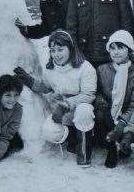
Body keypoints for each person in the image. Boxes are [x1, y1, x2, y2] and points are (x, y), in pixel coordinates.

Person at [14, 30, 97, 166]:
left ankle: (84, 152)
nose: (56, 54)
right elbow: (47, 87)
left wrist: (67, 104)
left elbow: (88, 95)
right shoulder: (50, 68)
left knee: (84, 111)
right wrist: (28, 80)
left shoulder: (85, 68)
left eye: (60, 49)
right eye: (53, 50)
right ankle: (74, 137)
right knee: (49, 132)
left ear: (70, 48)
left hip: (79, 107)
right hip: (61, 111)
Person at [94, 30, 134, 168]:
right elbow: (97, 92)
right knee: (100, 113)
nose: (116, 52)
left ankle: (123, 141)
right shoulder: (102, 70)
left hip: (126, 115)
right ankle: (111, 146)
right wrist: (102, 103)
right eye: (112, 48)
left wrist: (122, 122)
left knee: (133, 122)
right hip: (106, 113)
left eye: (120, 48)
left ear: (129, 50)